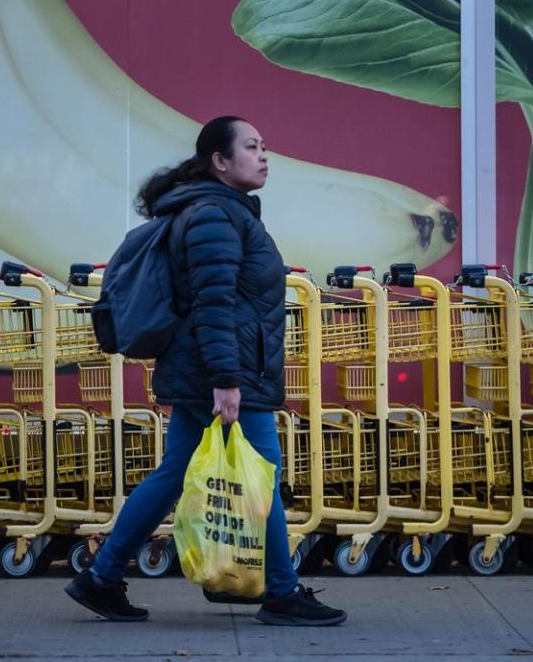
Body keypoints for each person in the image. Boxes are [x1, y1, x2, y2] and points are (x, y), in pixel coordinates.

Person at [65, 116, 346, 626]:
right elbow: (213, 304)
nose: (264, 156)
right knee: (261, 475)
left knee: (175, 474)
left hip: (211, 368)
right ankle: (282, 592)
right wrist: (227, 381)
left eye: (265, 147)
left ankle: (101, 577)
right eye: (252, 147)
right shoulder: (214, 216)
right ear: (220, 160)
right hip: (223, 372)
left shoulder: (222, 212)